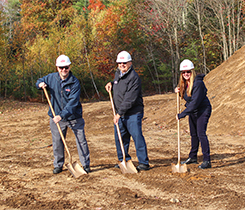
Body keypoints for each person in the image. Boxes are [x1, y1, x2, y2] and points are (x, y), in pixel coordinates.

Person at [36, 54, 90, 174]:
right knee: (57, 141)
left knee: (81, 140)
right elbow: (39, 81)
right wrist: (40, 84)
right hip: (55, 116)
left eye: (66, 67)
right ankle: (58, 165)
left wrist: (62, 115)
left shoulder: (74, 82)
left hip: (73, 116)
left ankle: (85, 165)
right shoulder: (51, 78)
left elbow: (73, 102)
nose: (63, 70)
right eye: (61, 67)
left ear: (69, 67)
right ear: (57, 68)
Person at [105, 51, 150, 171]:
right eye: (120, 63)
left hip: (133, 113)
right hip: (120, 113)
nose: (122, 65)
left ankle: (144, 162)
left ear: (130, 63)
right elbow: (119, 86)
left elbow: (130, 99)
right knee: (120, 137)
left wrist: (119, 113)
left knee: (137, 136)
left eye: (124, 63)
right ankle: (123, 159)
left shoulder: (134, 78)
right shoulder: (117, 74)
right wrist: (111, 84)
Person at [175, 59, 212, 169]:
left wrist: (182, 114)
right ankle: (193, 157)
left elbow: (195, 103)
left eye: (188, 72)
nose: (186, 74)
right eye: (184, 72)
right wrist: (178, 90)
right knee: (193, 134)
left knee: (201, 134)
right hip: (193, 111)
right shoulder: (185, 83)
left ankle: (207, 160)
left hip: (202, 110)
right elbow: (187, 98)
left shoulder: (198, 83)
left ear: (192, 72)